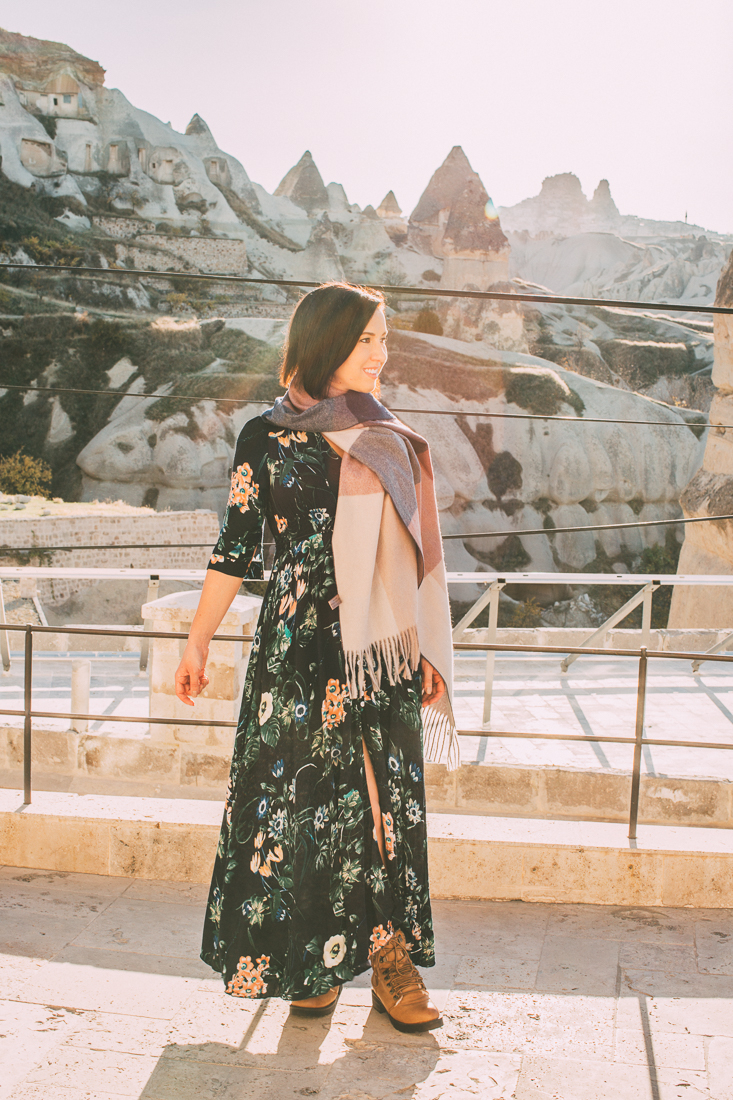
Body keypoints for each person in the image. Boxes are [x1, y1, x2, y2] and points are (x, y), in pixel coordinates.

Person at [175, 282, 458, 1033]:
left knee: (376, 798)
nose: (382, 352)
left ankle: (389, 960)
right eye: (369, 338)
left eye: (385, 338)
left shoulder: (390, 437)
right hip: (296, 644)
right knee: (300, 801)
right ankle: (317, 957)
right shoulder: (262, 436)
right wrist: (198, 638)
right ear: (328, 340)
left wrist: (427, 647)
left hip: (381, 646)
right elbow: (235, 549)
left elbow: (418, 554)